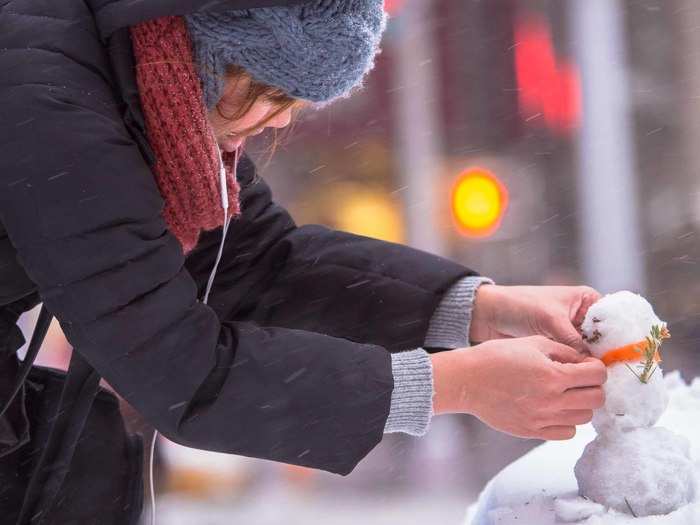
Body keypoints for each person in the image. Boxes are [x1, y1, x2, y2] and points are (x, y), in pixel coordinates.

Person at [0, 0, 606, 517]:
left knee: (81, 465)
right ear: (215, 53)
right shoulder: (49, 101)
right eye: (274, 92)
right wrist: (457, 385)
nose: (281, 120)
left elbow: (255, 260)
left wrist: (479, 308)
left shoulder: (131, 85)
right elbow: (180, 370)